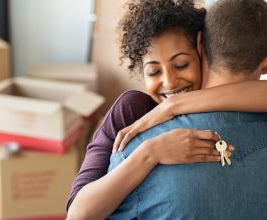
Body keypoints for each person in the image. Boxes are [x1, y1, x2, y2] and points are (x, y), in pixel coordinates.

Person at [66, 0, 267, 219]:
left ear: (200, 49)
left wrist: (174, 105)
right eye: (153, 72)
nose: (170, 82)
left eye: (181, 65)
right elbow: (78, 212)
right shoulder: (132, 112)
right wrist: (149, 153)